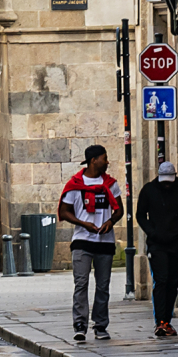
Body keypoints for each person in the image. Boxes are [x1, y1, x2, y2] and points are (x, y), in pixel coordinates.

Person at [59, 144, 124, 343]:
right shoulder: (75, 184)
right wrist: (82, 223)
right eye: (104, 158)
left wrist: (110, 222)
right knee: (81, 283)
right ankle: (80, 324)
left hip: (104, 240)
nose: (107, 162)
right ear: (93, 160)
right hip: (82, 240)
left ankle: (100, 324)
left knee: (103, 285)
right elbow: (64, 212)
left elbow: (119, 209)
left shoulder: (111, 184)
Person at [135, 161, 178, 338]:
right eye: (164, 181)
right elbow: (141, 215)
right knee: (161, 280)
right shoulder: (148, 190)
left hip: (177, 243)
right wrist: (152, 232)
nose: (167, 185)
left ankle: (166, 321)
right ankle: (160, 321)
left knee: (172, 283)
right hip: (157, 243)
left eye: (170, 181)